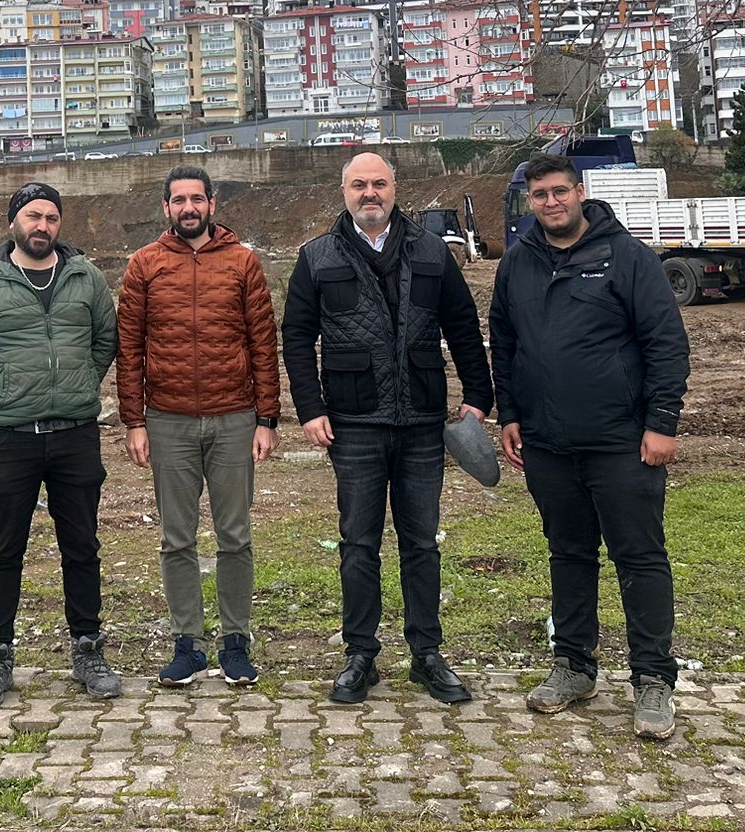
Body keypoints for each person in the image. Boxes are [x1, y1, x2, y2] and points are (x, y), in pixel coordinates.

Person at [489, 153, 691, 740]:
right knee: (568, 554)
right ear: (529, 201)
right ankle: (573, 666)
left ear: (580, 193)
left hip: (622, 443)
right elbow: (504, 343)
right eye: (539, 196)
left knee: (640, 558)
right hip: (548, 444)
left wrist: (662, 424)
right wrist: (512, 415)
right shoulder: (518, 263)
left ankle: (653, 681)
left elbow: (666, 345)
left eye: (559, 192)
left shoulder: (627, 258)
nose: (550, 203)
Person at [281, 151, 494, 705]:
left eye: (378, 184)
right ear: (344, 192)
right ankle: (361, 655)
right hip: (353, 425)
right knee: (359, 543)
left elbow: (464, 328)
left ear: (395, 190)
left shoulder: (431, 251)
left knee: (422, 542)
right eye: (359, 185)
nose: (369, 193)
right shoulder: (316, 257)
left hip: (422, 421)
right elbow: (297, 340)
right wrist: (310, 408)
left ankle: (427, 654)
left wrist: (478, 397)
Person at [0, 181, 123, 710]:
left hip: (75, 436)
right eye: (33, 216)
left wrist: (80, 386)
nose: (43, 226)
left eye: (52, 218)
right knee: (3, 549)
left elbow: (105, 341)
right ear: (14, 221)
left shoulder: (86, 278)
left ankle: (88, 651)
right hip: (7, 440)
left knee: (82, 546)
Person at [117, 166, 280, 688]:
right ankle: (187, 644)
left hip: (234, 418)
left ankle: (235, 642)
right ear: (166, 208)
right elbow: (129, 350)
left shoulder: (243, 263)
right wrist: (134, 422)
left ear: (213, 203)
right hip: (168, 423)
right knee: (176, 539)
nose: (189, 208)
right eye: (178, 200)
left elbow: (263, 343)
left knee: (235, 537)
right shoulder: (143, 266)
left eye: (197, 199)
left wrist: (267, 418)